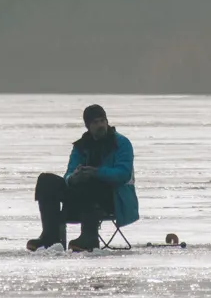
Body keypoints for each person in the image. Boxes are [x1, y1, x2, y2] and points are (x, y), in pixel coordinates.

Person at [27, 104, 139, 252]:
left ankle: (89, 236)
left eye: (102, 121)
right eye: (95, 122)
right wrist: (73, 178)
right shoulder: (81, 146)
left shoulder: (122, 144)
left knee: (91, 181)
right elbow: (69, 173)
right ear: (88, 126)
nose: (100, 125)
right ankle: (50, 236)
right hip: (82, 195)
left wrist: (97, 172)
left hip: (112, 197)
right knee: (46, 181)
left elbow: (123, 174)